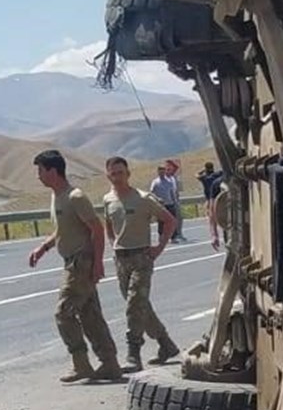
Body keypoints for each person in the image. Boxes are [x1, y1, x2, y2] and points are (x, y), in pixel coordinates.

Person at [27, 149, 122, 384]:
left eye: (41, 170)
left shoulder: (75, 197)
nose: (38, 175)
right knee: (90, 315)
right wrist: (44, 247)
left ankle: (81, 365)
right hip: (71, 261)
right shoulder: (57, 196)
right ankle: (109, 363)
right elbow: (63, 228)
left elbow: (96, 229)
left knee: (63, 314)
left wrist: (98, 263)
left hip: (80, 263)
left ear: (53, 171)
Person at [102, 156, 180, 373]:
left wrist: (159, 248)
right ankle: (166, 344)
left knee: (135, 304)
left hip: (141, 257)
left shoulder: (143, 198)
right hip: (121, 258)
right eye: (113, 173)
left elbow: (169, 220)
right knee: (140, 306)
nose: (117, 177)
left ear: (128, 174)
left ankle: (133, 353)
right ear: (108, 175)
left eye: (121, 172)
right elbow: (108, 224)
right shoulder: (108, 199)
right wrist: (112, 244)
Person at [150, 163, 182, 243]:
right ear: (158, 172)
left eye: (163, 171)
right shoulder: (155, 182)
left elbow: (172, 192)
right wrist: (156, 200)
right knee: (161, 222)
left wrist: (175, 202)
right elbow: (151, 193)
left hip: (170, 204)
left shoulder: (169, 182)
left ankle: (173, 237)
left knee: (172, 221)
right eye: (160, 171)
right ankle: (161, 236)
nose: (162, 173)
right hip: (161, 205)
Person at [197, 160, 225, 250]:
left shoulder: (205, 178)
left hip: (211, 199)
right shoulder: (218, 175)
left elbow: (197, 175)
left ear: (206, 169)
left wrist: (203, 171)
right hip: (222, 199)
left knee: (212, 219)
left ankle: (214, 236)